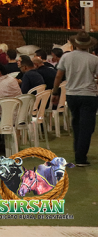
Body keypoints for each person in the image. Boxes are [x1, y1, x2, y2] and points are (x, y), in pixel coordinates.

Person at [54, 31, 98, 167]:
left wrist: (55, 92)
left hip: (71, 94)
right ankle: (81, 156)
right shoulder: (94, 59)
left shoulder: (66, 57)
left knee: (76, 122)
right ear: (88, 45)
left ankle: (77, 149)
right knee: (87, 126)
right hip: (89, 95)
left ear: (75, 44)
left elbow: (59, 75)